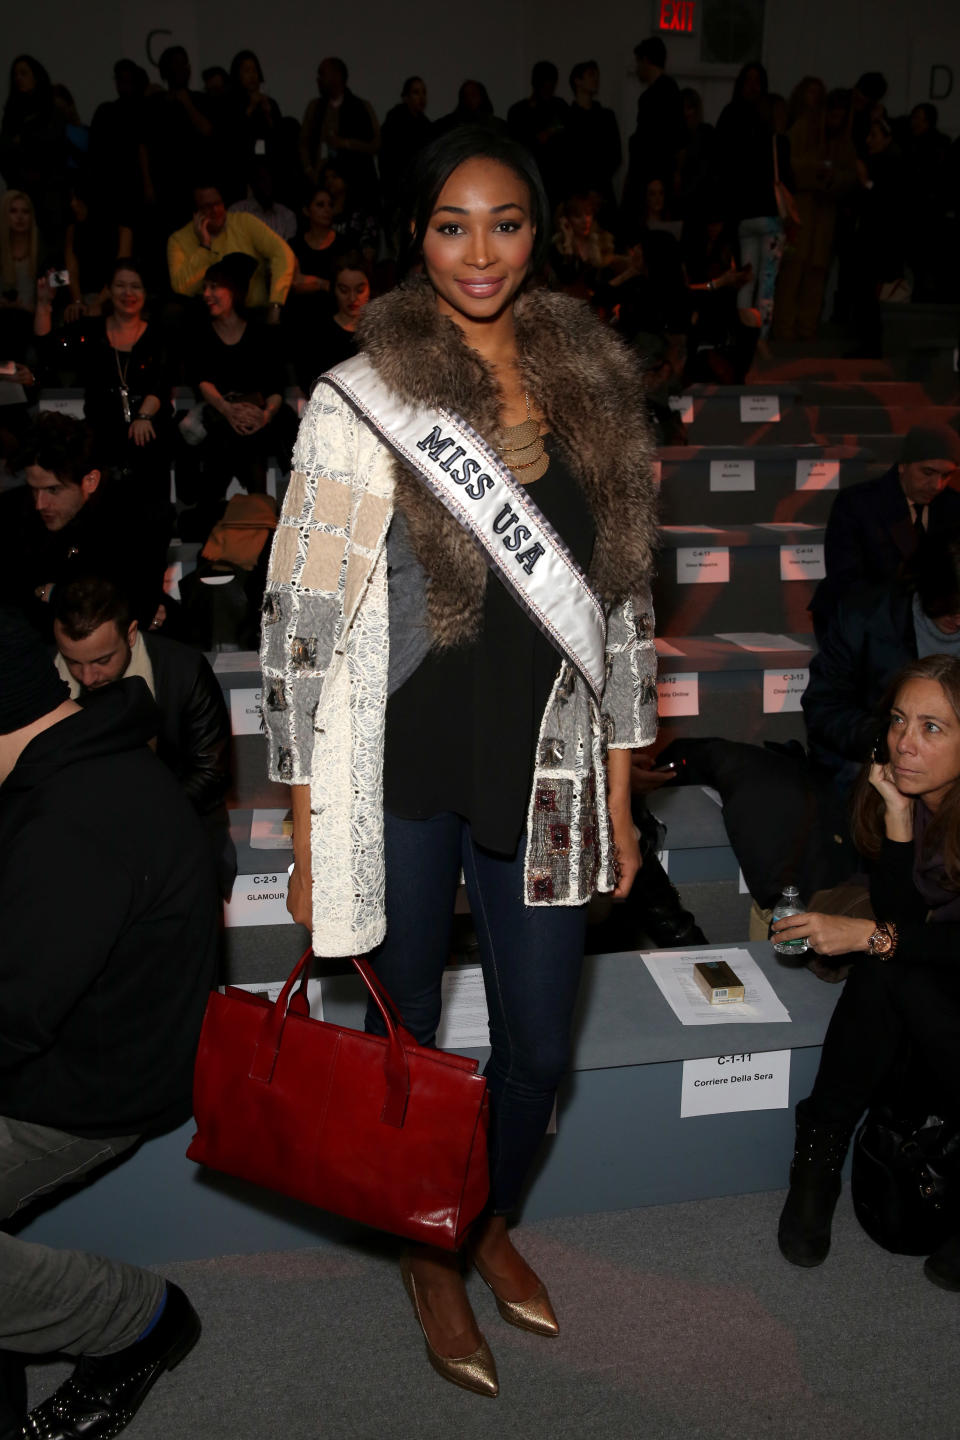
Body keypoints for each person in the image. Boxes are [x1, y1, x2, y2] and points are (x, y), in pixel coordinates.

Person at [260, 124, 658, 1397]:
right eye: (450, 224)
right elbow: (301, 624)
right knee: (408, 1036)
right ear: (415, 237)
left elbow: (625, 612)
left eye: (505, 222)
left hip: (544, 767)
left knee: (539, 1047)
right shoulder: (361, 392)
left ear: (540, 231)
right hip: (396, 764)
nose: (479, 251)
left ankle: (481, 1212)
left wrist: (624, 792)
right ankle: (429, 1247)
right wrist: (309, 837)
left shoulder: (596, 384)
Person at [0, 608, 217, 1438]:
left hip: (82, 1089)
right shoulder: (75, 763)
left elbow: (13, 1014)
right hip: (72, 1045)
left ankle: (135, 1320)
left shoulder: (73, 820)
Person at [774, 654, 960, 1290]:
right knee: (888, 967)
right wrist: (900, 821)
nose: (904, 743)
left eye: (933, 728)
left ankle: (822, 1145)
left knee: (888, 956)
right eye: (900, 720)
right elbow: (904, 923)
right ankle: (818, 1161)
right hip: (929, 1014)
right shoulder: (909, 798)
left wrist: (872, 935)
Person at [52, 574, 236, 895]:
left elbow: (210, 774)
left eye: (102, 660)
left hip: (177, 828)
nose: (88, 676)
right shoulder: (43, 678)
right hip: (75, 838)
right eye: (72, 662)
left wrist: (133, 819)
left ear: (132, 634)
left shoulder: (183, 670)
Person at [803, 526, 960, 784]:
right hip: (875, 757)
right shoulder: (865, 616)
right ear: (928, 586)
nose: (958, 619)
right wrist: (886, 738)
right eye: (950, 609)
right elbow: (824, 706)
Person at [34, 259, 174, 532]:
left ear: (145, 293)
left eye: (135, 286)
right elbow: (48, 350)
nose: (128, 293)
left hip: (146, 434)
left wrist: (144, 414)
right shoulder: (90, 331)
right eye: (120, 285)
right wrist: (43, 304)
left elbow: (163, 381)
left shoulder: (158, 335)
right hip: (103, 433)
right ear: (109, 290)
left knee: (149, 501)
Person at [0, 413, 157, 636]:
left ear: (90, 481)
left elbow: (131, 606)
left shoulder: (130, 519)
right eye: (34, 489)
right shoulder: (12, 511)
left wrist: (55, 595)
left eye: (53, 490)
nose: (40, 503)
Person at [809, 425, 960, 640]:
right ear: (903, 466)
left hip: (931, 620)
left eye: (947, 476)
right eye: (928, 472)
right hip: (864, 619)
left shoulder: (953, 506)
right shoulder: (858, 503)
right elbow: (848, 582)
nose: (936, 485)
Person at [189, 253, 296, 513]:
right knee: (232, 437)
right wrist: (228, 410)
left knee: (250, 435)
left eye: (215, 287)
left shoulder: (260, 333)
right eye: (205, 288)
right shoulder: (201, 333)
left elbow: (276, 386)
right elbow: (202, 381)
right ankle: (249, 515)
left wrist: (264, 415)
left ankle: (255, 519)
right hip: (220, 413)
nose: (207, 294)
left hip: (261, 415)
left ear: (234, 291)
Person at [714, 62, 791, 339]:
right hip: (768, 215)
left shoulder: (734, 126)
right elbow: (787, 178)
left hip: (744, 215)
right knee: (766, 281)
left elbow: (723, 168)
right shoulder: (774, 139)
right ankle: (760, 338)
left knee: (746, 278)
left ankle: (740, 334)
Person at [773, 88, 858, 341]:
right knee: (791, 273)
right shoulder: (802, 129)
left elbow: (850, 176)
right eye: (833, 114)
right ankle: (784, 332)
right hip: (800, 215)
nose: (836, 120)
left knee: (816, 274)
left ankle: (806, 331)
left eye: (841, 116)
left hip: (824, 219)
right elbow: (785, 163)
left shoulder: (844, 142)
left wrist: (834, 180)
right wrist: (816, 171)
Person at [167, 180, 296, 320]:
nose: (215, 210)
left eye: (218, 203)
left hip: (253, 313)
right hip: (209, 316)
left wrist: (276, 303)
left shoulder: (244, 222)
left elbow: (283, 253)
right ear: (196, 211)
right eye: (207, 206)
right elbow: (181, 288)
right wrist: (204, 246)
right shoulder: (179, 239)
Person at [139, 46, 214, 230]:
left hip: (195, 182)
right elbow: (143, 145)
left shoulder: (199, 99)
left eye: (185, 63)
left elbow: (207, 131)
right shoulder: (154, 103)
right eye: (176, 64)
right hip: (164, 184)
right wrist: (148, 184)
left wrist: (187, 103)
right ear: (165, 70)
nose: (182, 68)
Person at [299, 57, 380, 205]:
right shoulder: (315, 107)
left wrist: (346, 143)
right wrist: (309, 170)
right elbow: (303, 143)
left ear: (337, 76)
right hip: (321, 184)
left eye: (322, 74)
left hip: (356, 186)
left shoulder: (360, 107)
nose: (319, 79)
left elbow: (376, 144)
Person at [292, 250, 370, 396]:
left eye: (360, 290)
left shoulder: (379, 332)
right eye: (344, 290)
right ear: (334, 289)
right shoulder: (318, 332)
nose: (352, 298)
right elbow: (308, 382)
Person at [625, 37, 684, 203]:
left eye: (638, 62)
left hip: (652, 172)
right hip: (658, 171)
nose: (637, 68)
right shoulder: (669, 91)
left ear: (646, 60)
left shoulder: (657, 95)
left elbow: (672, 138)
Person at [561, 62, 622, 219]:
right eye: (591, 75)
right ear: (577, 80)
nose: (596, 79)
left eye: (597, 75)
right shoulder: (567, 118)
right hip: (576, 195)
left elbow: (614, 155)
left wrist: (597, 189)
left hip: (603, 194)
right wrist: (584, 192)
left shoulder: (606, 116)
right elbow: (567, 159)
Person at [506, 63, 568, 206]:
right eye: (546, 81)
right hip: (532, 177)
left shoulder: (560, 107)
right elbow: (517, 146)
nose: (549, 86)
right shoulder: (519, 111)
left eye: (552, 81)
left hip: (559, 179)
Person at [379, 76, 433, 231]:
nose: (421, 97)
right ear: (406, 97)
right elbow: (388, 161)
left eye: (424, 92)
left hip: (417, 193)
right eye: (416, 92)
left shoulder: (426, 125)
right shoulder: (394, 121)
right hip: (396, 194)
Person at [229, 157, 298, 240]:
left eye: (270, 179)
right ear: (252, 183)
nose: (267, 185)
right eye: (262, 179)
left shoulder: (286, 216)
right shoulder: (237, 212)